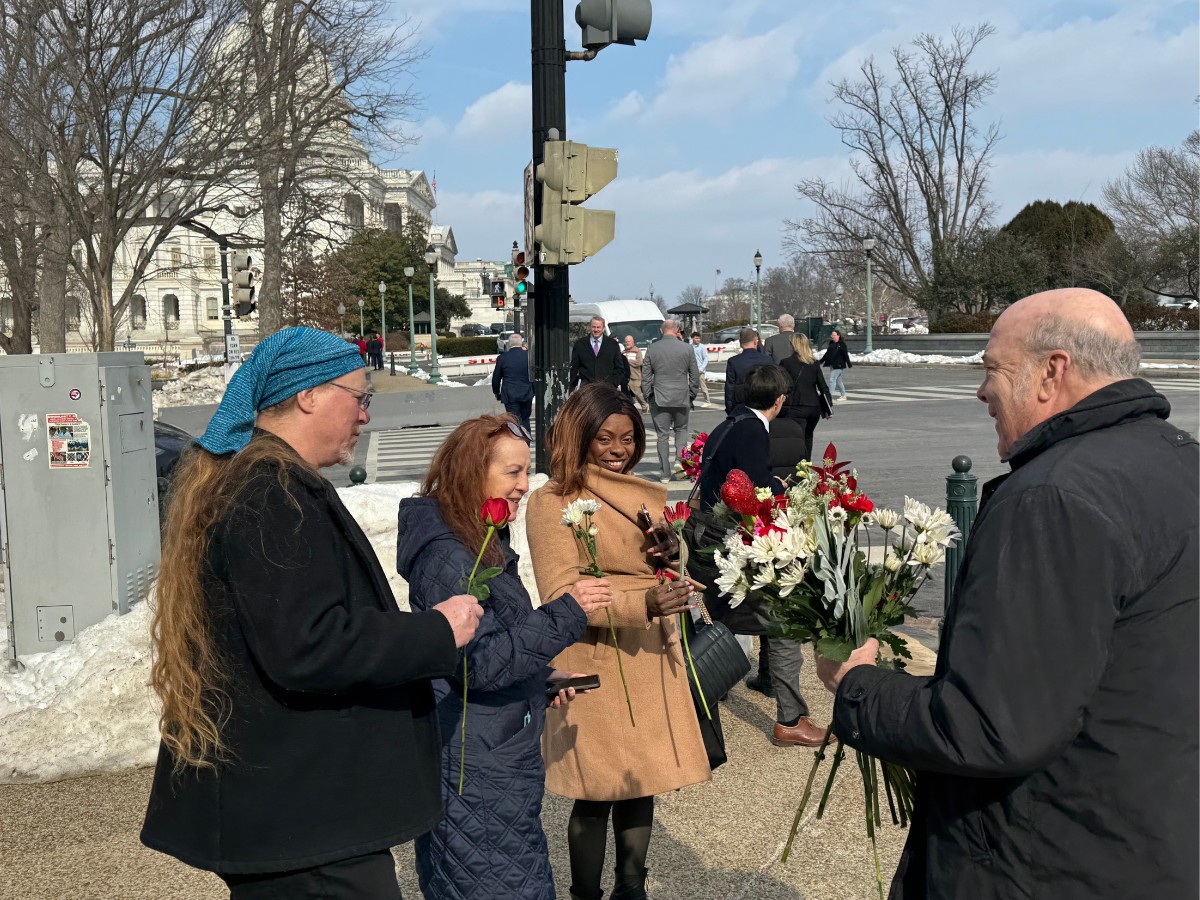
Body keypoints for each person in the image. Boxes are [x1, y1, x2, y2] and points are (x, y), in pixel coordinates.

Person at [815, 288, 1199, 899]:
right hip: (1147, 830)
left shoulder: (1053, 497)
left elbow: (994, 726)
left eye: (993, 368)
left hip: (1044, 854)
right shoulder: (1181, 462)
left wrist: (857, 689)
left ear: (1052, 372)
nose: (982, 390)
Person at [141, 327, 485, 898]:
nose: (365, 417)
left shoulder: (261, 481)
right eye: (360, 397)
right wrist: (437, 632)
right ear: (309, 395)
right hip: (302, 823)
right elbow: (307, 646)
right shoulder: (269, 491)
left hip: (294, 815)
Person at [397, 415, 615, 900]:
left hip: (496, 747)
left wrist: (540, 678)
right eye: (512, 473)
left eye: (526, 472)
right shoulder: (450, 556)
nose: (524, 485)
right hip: (476, 761)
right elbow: (480, 664)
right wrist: (570, 610)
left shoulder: (479, 538)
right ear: (472, 473)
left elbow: (491, 642)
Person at [524, 384, 710, 900]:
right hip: (594, 658)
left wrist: (676, 553)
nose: (617, 449)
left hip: (650, 655)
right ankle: (585, 893)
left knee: (639, 781)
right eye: (604, 438)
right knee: (595, 791)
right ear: (579, 436)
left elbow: (665, 569)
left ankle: (633, 888)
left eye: (628, 439)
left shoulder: (641, 494)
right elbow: (560, 592)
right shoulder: (552, 501)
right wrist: (640, 605)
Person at [694, 364, 828, 748]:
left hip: (710, 535)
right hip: (738, 538)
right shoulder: (754, 429)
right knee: (782, 619)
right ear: (780, 399)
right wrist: (780, 485)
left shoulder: (728, 424)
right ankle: (790, 719)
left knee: (719, 618)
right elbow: (754, 489)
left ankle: (716, 688)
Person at [641, 319, 700, 483]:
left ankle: (665, 473)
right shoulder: (687, 348)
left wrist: (648, 396)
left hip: (660, 398)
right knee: (681, 431)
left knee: (662, 436)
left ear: (661, 331)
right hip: (681, 397)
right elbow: (694, 376)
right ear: (676, 330)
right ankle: (679, 463)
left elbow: (645, 377)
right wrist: (692, 395)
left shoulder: (652, 349)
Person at [770, 332, 832, 477]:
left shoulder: (786, 363)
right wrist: (828, 407)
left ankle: (798, 469)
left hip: (796, 407)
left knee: (796, 439)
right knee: (808, 437)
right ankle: (807, 466)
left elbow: (781, 386)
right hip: (813, 408)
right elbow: (823, 387)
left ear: (793, 345)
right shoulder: (814, 363)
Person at [569, 316, 628, 391]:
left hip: (607, 389)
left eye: (598, 327)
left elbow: (619, 368)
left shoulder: (612, 344)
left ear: (603, 329)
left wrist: (612, 384)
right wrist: (573, 386)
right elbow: (573, 368)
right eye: (594, 327)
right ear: (590, 328)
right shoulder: (580, 344)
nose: (596, 330)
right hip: (586, 390)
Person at [723, 327, 773, 415]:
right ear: (755, 341)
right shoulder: (767, 360)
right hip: (764, 406)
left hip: (741, 407)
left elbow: (730, 388)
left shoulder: (733, 361)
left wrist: (730, 409)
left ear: (741, 343)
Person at [492, 333, 535, 433]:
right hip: (527, 393)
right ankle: (526, 442)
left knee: (513, 420)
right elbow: (533, 375)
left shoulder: (503, 358)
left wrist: (496, 392)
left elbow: (496, 378)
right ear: (521, 343)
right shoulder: (529, 357)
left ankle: (516, 441)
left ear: (509, 344)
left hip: (510, 394)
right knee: (525, 419)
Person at [821, 329, 851, 401]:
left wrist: (848, 363)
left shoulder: (842, 344)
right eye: (832, 335)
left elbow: (845, 354)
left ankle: (829, 397)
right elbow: (827, 354)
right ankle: (843, 395)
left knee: (832, 379)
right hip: (832, 364)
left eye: (834, 335)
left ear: (838, 336)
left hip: (839, 365)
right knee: (838, 380)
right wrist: (821, 361)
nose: (833, 337)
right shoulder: (831, 344)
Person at [621, 335, 649, 412]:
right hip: (625, 377)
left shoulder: (637, 351)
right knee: (625, 394)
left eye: (628, 341)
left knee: (637, 394)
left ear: (633, 342)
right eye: (626, 341)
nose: (627, 343)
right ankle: (628, 409)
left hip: (635, 376)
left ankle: (644, 405)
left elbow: (639, 362)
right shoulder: (623, 352)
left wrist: (628, 361)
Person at [690, 332, 710, 405]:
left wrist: (701, 368)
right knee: (689, 386)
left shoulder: (702, 347)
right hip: (691, 370)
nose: (698, 339)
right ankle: (690, 401)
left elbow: (706, 359)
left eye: (699, 338)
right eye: (696, 338)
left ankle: (707, 401)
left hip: (700, 370)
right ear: (692, 338)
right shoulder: (690, 347)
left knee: (703, 386)